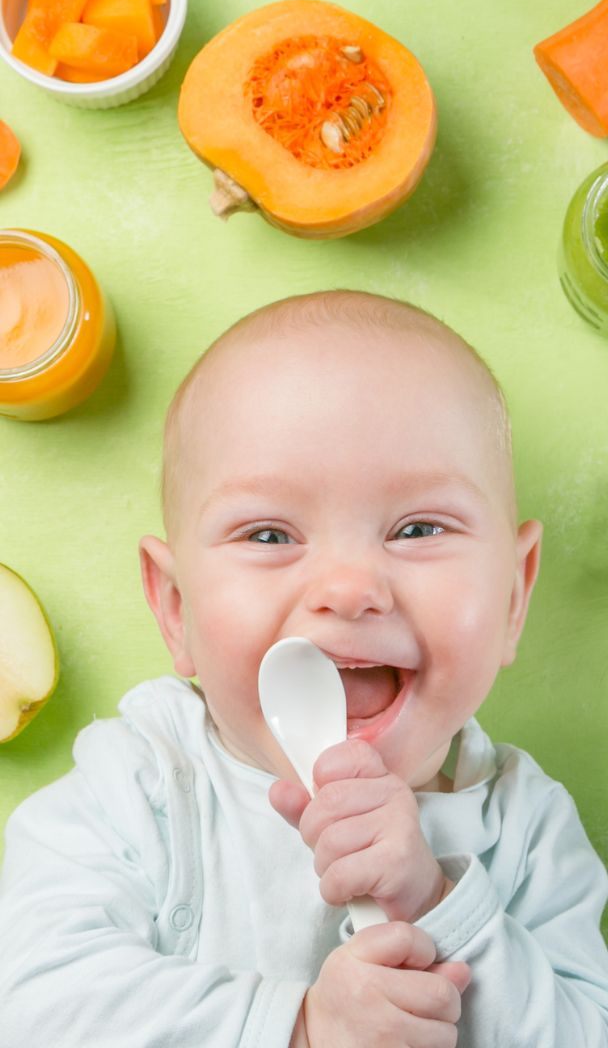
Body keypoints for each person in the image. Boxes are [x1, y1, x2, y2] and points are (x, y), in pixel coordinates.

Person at [0, 290, 607, 1048]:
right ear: (176, 609)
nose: (350, 588)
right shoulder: (137, 788)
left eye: (418, 527)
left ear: (514, 595)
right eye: (269, 535)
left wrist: (436, 902)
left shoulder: (526, 830)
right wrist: (300, 1028)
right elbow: (29, 1006)